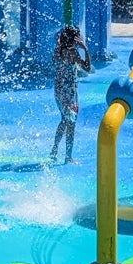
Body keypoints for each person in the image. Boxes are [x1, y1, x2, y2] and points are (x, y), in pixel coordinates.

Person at [50, 25, 93, 163]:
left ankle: (55, 149)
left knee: (65, 120)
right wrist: (85, 49)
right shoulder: (73, 53)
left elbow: (54, 63)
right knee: (71, 123)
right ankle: (68, 156)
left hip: (59, 91)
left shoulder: (58, 50)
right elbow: (87, 67)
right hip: (69, 92)